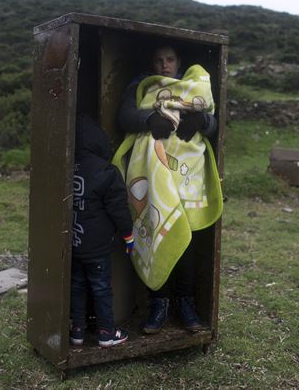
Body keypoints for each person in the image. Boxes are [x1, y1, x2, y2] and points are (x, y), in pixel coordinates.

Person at [116, 45, 221, 334]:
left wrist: (203, 121)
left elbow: (214, 120)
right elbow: (124, 116)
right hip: (153, 176)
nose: (164, 65)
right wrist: (150, 119)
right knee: (154, 235)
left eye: (170, 59)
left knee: (186, 241)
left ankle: (185, 303)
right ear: (151, 62)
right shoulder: (142, 85)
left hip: (188, 178)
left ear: (179, 61)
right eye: (158, 59)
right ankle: (158, 303)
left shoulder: (192, 86)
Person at [69, 113, 135, 348]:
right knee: (101, 287)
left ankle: (77, 330)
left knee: (77, 285)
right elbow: (119, 209)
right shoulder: (106, 172)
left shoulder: (66, 168)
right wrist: (128, 235)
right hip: (97, 247)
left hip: (74, 244)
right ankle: (107, 332)